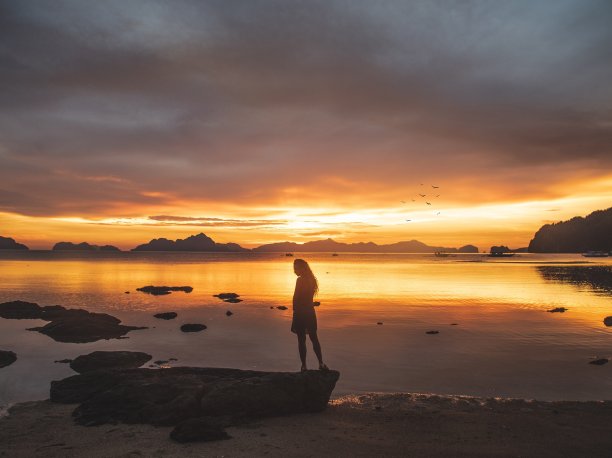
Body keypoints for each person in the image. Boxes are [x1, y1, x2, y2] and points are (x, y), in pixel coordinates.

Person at [291, 258, 328, 371]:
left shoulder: (300, 280)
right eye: (294, 268)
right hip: (310, 312)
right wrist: (312, 304)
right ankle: (321, 363)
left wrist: (295, 311)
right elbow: (307, 298)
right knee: (314, 338)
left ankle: (304, 366)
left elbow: (296, 297)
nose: (294, 270)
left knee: (301, 340)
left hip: (300, 313)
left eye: (296, 268)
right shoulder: (312, 279)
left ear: (302, 268)